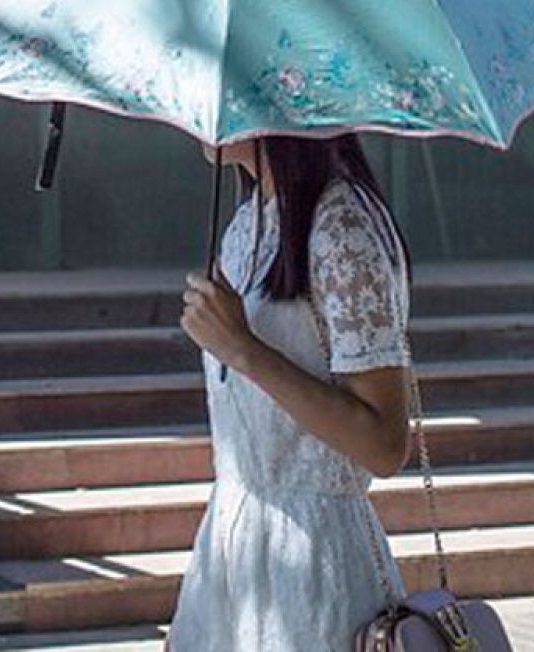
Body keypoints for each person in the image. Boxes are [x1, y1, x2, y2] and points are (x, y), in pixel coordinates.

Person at [167, 134, 413, 651]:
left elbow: (385, 445)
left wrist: (243, 350)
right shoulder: (250, 222)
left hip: (315, 570)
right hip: (232, 551)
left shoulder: (343, 228)